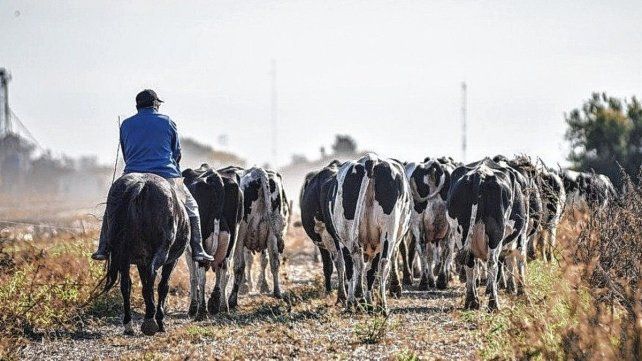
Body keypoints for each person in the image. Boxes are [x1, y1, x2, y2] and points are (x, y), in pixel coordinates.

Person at [91, 89, 214, 263]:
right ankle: (198, 249)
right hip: (166, 172)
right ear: (156, 104)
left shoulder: (126, 124)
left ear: (137, 106)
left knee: (113, 205)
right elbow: (176, 152)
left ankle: (103, 247)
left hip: (133, 172)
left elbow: (126, 154)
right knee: (192, 206)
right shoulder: (167, 122)